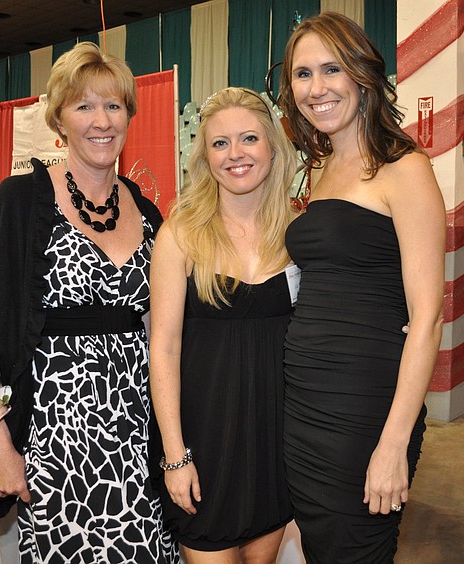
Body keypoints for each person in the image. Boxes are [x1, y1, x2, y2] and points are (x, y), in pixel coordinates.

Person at [0, 42, 179, 563]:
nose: (101, 120)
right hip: (56, 439)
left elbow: (166, 334)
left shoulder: (150, 214)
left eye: (113, 105)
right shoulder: (19, 204)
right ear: (59, 118)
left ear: (130, 114)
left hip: (139, 434)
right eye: (84, 106)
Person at [278, 11, 446, 563]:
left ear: (362, 75)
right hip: (303, 400)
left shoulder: (405, 169)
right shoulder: (319, 170)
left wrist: (394, 443)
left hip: (364, 407)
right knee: (321, 545)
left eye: (331, 69)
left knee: (358, 547)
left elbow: (427, 317)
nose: (316, 88)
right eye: (303, 74)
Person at [149, 87, 298, 562]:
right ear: (204, 156)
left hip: (275, 442)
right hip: (205, 446)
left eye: (249, 138)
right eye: (219, 143)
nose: (235, 154)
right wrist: (176, 456)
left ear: (272, 148)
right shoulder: (180, 235)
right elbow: (164, 350)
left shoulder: (297, 236)